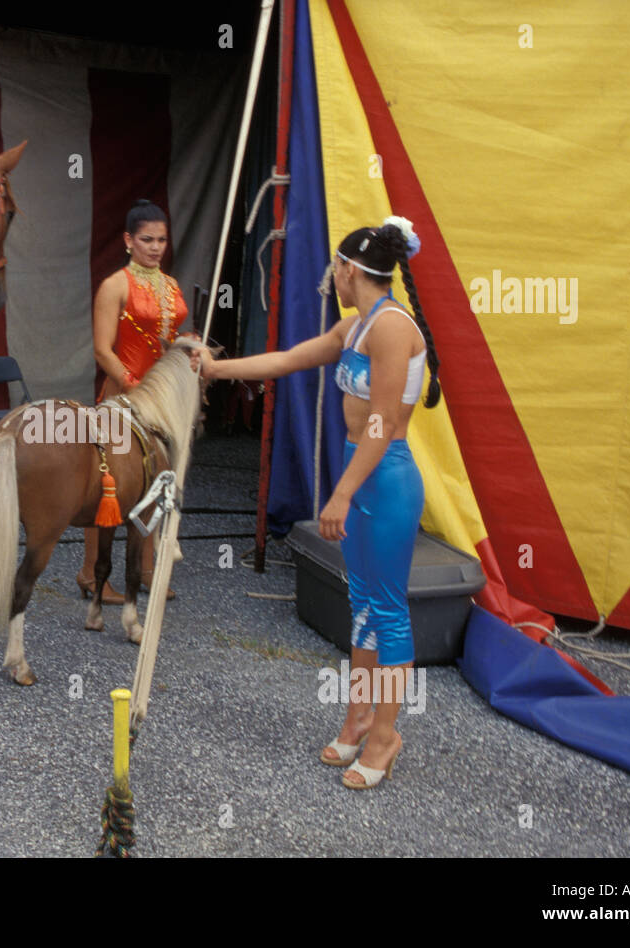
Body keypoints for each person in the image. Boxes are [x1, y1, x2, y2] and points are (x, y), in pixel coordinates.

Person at [192, 216, 441, 790]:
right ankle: (356, 718)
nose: (333, 277)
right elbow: (288, 360)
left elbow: (380, 424)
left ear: (352, 270)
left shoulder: (392, 329)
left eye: (337, 268)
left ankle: (386, 735)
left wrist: (343, 492)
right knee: (361, 606)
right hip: (362, 472)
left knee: (387, 609)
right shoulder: (356, 327)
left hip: (385, 477)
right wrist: (216, 369)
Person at [76, 199, 187, 604]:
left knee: (157, 483)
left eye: (161, 239)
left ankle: (145, 570)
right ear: (128, 240)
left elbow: (169, 339)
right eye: (147, 239)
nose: (156, 247)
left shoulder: (171, 285)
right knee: (110, 484)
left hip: (162, 403)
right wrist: (133, 382)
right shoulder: (115, 285)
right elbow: (102, 350)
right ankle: (91, 573)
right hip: (123, 397)